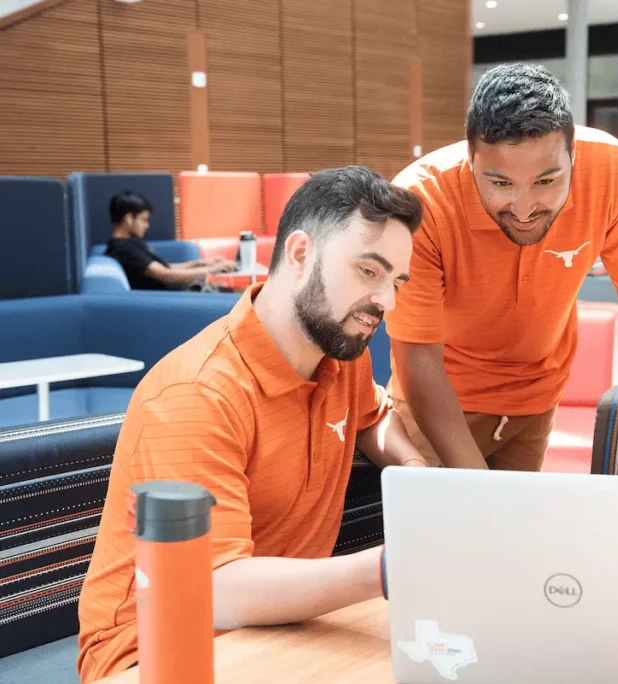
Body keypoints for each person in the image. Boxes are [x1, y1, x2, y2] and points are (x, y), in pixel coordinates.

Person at [78, 167, 428, 683]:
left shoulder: (341, 352)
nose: (387, 301)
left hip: (285, 628)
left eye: (396, 281)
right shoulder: (198, 393)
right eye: (369, 271)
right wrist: (389, 569)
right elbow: (212, 591)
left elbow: (371, 420)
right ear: (301, 252)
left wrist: (415, 467)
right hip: (153, 651)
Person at [385, 63, 618, 472]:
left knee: (514, 532)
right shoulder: (419, 201)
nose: (525, 207)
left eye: (547, 181)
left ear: (574, 157)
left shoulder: (609, 168)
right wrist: (475, 482)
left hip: (536, 398)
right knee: (438, 530)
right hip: (438, 401)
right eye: (500, 184)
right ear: (471, 158)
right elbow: (417, 355)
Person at [105, 190, 236, 290]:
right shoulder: (123, 248)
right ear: (128, 218)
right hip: (173, 298)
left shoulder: (131, 243)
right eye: (144, 220)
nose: (147, 225)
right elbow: (165, 275)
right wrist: (212, 270)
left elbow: (163, 267)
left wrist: (200, 263)